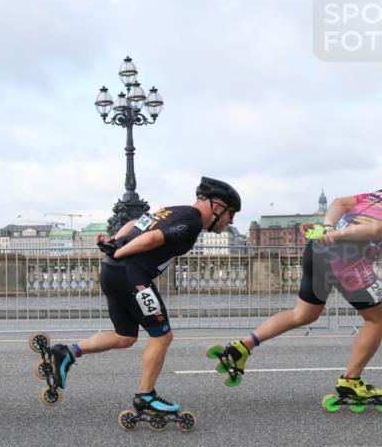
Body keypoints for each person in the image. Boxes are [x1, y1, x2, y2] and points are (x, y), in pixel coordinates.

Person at [45, 177, 242, 423]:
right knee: (162, 336)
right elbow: (153, 239)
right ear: (216, 206)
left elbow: (134, 224)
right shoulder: (191, 221)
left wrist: (114, 240)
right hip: (131, 275)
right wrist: (120, 250)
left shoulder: (171, 210)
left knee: (125, 336)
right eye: (230, 213)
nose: (231, 220)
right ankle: (146, 396)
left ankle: (67, 352)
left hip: (112, 271)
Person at [212, 190, 382, 408]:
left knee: (303, 314)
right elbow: (377, 228)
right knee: (376, 319)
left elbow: (340, 202)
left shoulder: (376, 194)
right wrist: (335, 235)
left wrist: (328, 228)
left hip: (318, 249)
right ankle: (350, 382)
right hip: (347, 258)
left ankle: (242, 347)